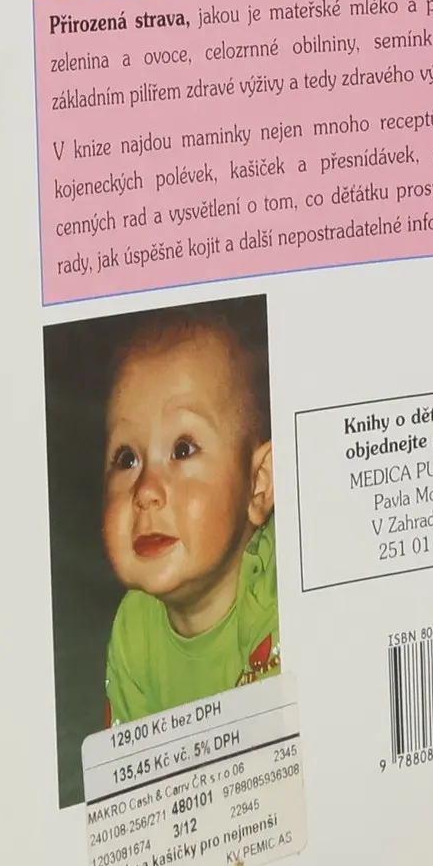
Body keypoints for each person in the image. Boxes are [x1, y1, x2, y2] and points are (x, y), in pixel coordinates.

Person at [100, 304, 277, 726]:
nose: (146, 491)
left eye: (182, 450)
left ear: (257, 485)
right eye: (127, 459)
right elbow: (133, 757)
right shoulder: (133, 629)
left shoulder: (277, 601)